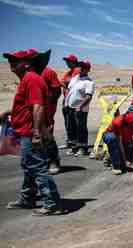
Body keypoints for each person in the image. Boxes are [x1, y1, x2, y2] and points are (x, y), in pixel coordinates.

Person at [1, 48, 63, 215]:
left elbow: (38, 106)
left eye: (15, 61)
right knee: (29, 165)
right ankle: (27, 198)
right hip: (26, 131)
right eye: (10, 62)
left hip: (30, 132)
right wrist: (11, 113)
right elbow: (29, 105)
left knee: (37, 166)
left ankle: (52, 203)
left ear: (27, 64)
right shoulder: (27, 80)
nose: (11, 65)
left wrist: (36, 133)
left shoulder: (32, 79)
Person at [102, 111, 133, 175]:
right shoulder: (118, 122)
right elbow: (120, 143)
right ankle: (116, 166)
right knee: (112, 139)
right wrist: (125, 161)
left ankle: (112, 158)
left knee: (131, 159)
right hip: (111, 135)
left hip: (126, 139)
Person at [66, 59, 94, 156]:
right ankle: (74, 148)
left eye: (83, 67)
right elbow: (69, 90)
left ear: (87, 69)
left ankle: (83, 148)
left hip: (81, 109)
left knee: (81, 129)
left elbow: (88, 96)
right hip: (70, 107)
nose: (81, 68)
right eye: (80, 66)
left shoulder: (89, 82)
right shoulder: (74, 79)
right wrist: (66, 103)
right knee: (72, 128)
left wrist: (80, 106)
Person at [41, 65, 63, 174]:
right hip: (31, 108)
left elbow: (57, 90)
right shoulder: (28, 73)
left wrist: (50, 104)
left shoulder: (48, 72)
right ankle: (42, 161)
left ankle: (54, 160)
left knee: (47, 135)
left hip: (45, 109)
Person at [60, 53, 80, 152]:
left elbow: (72, 83)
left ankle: (74, 143)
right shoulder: (69, 72)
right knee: (68, 122)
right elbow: (64, 82)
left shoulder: (77, 70)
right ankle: (70, 141)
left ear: (74, 62)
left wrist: (65, 83)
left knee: (72, 123)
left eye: (69, 61)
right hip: (67, 99)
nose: (67, 63)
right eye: (66, 61)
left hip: (72, 101)